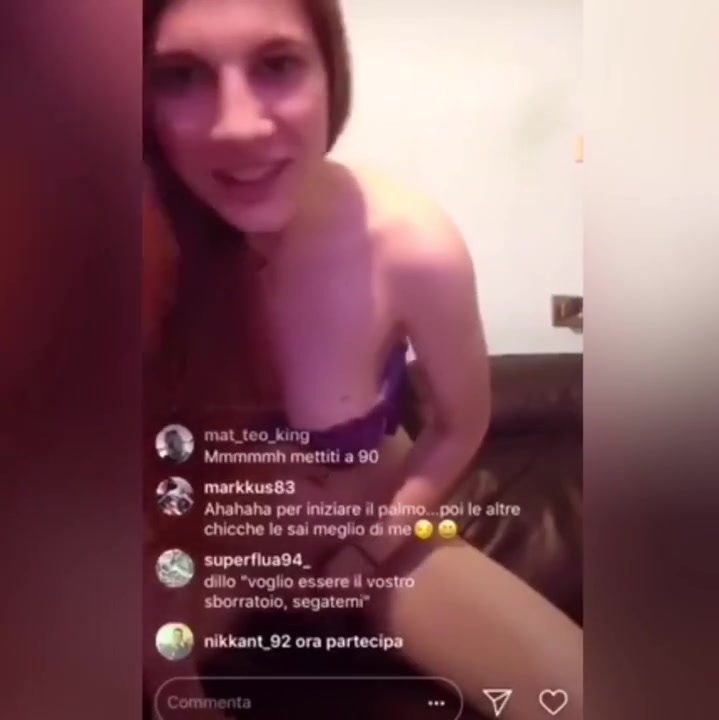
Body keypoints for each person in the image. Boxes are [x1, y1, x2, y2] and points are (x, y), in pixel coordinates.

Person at [143, 1, 583, 718]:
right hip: (200, 554)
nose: (238, 124)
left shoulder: (410, 245)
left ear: (331, 74)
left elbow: (459, 427)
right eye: (181, 75)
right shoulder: (128, 254)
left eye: (277, 64)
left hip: (369, 531)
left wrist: (369, 551)